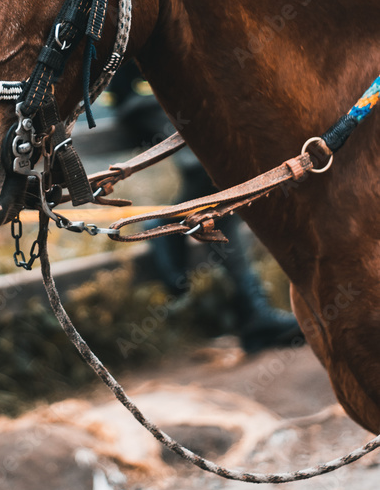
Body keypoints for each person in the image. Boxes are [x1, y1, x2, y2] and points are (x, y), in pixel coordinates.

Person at [107, 61, 304, 354]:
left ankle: (254, 316)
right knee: (213, 171)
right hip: (141, 98)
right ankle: (167, 225)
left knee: (221, 204)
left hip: (176, 95)